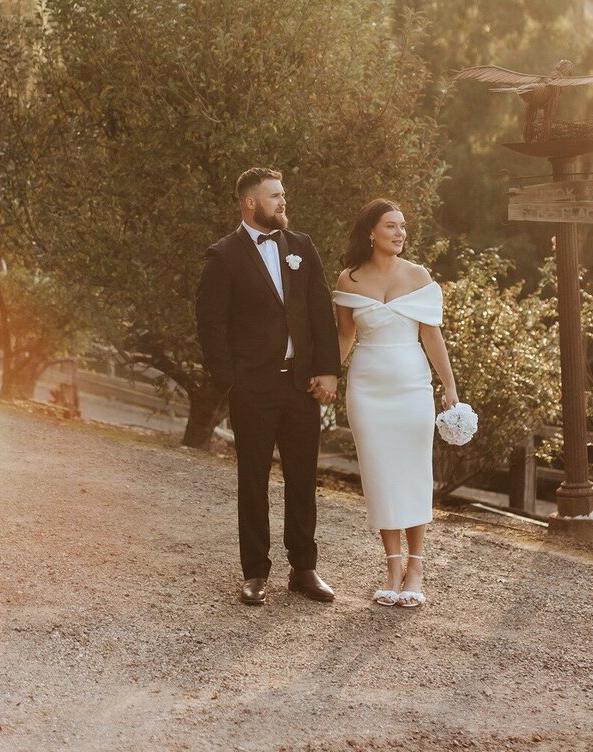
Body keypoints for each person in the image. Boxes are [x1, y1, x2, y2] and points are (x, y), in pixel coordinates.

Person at [195, 167, 340, 606]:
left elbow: (320, 311)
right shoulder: (223, 256)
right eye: (274, 196)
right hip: (253, 388)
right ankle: (255, 572)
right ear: (250, 202)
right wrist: (231, 382)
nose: (282, 202)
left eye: (283, 195)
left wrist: (328, 370)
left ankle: (304, 568)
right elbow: (210, 324)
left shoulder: (301, 246)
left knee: (302, 478)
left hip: (301, 385)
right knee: (252, 479)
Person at [333, 198, 459, 608]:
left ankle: (416, 567)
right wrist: (326, 375)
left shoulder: (419, 276)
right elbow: (345, 337)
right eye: (391, 226)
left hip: (412, 386)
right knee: (380, 473)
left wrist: (450, 387)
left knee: (414, 471)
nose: (400, 233)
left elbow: (431, 336)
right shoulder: (348, 281)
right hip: (367, 388)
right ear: (371, 231)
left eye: (403, 226)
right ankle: (392, 567)